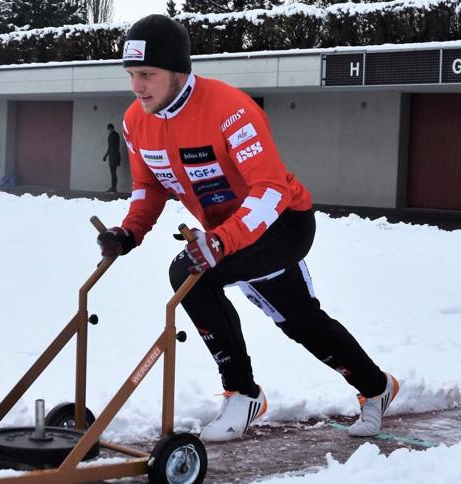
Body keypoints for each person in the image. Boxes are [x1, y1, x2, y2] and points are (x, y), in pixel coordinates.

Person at [97, 14, 399, 442]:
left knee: (189, 275)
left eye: (147, 74)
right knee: (299, 321)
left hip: (282, 223)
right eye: (131, 75)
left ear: (179, 72)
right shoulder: (135, 121)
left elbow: (270, 190)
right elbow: (149, 185)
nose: (137, 86)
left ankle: (242, 393)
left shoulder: (230, 109)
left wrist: (222, 242)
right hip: (225, 236)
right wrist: (129, 232)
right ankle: (376, 387)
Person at [102, 123, 122, 193]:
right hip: (115, 156)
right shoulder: (116, 135)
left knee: (113, 173)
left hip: (113, 156)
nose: (108, 131)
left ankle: (113, 188)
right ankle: (113, 187)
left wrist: (105, 156)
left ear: (110, 128)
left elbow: (110, 147)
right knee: (113, 173)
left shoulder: (112, 136)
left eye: (108, 129)